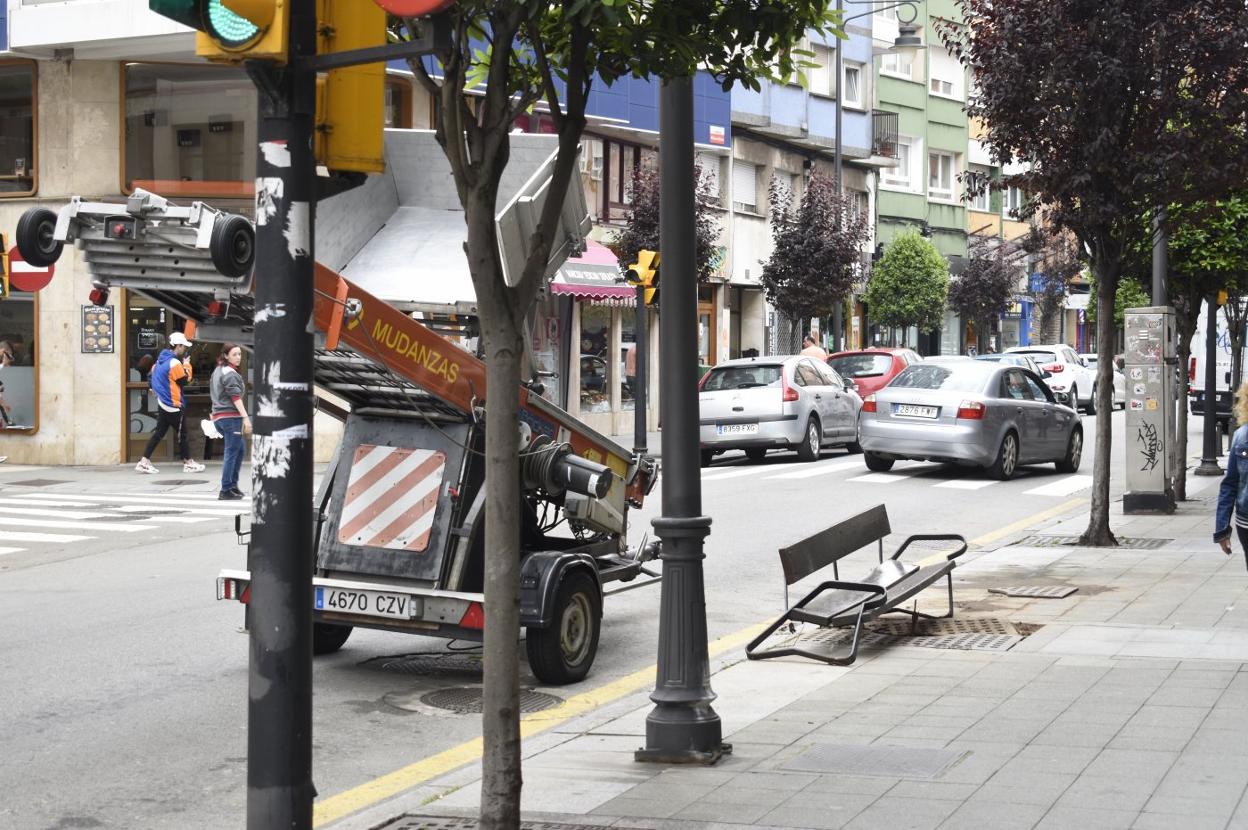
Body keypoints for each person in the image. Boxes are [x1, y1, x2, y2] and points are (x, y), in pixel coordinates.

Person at [135, 332, 205, 474]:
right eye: (183, 346)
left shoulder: (159, 361)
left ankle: (144, 462)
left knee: (159, 433)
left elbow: (152, 376)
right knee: (183, 435)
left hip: (163, 403)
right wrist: (187, 365)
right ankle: (188, 463)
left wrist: (154, 389)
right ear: (178, 346)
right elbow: (185, 381)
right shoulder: (175, 363)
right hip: (174, 405)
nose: (184, 349)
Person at [210, 343, 251, 500]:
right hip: (229, 417)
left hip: (221, 417)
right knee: (231, 452)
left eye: (240, 354)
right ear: (226, 356)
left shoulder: (218, 370)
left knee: (239, 450)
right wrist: (246, 418)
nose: (238, 357)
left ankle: (232, 486)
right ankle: (226, 489)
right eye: (235, 354)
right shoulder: (229, 373)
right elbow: (235, 398)